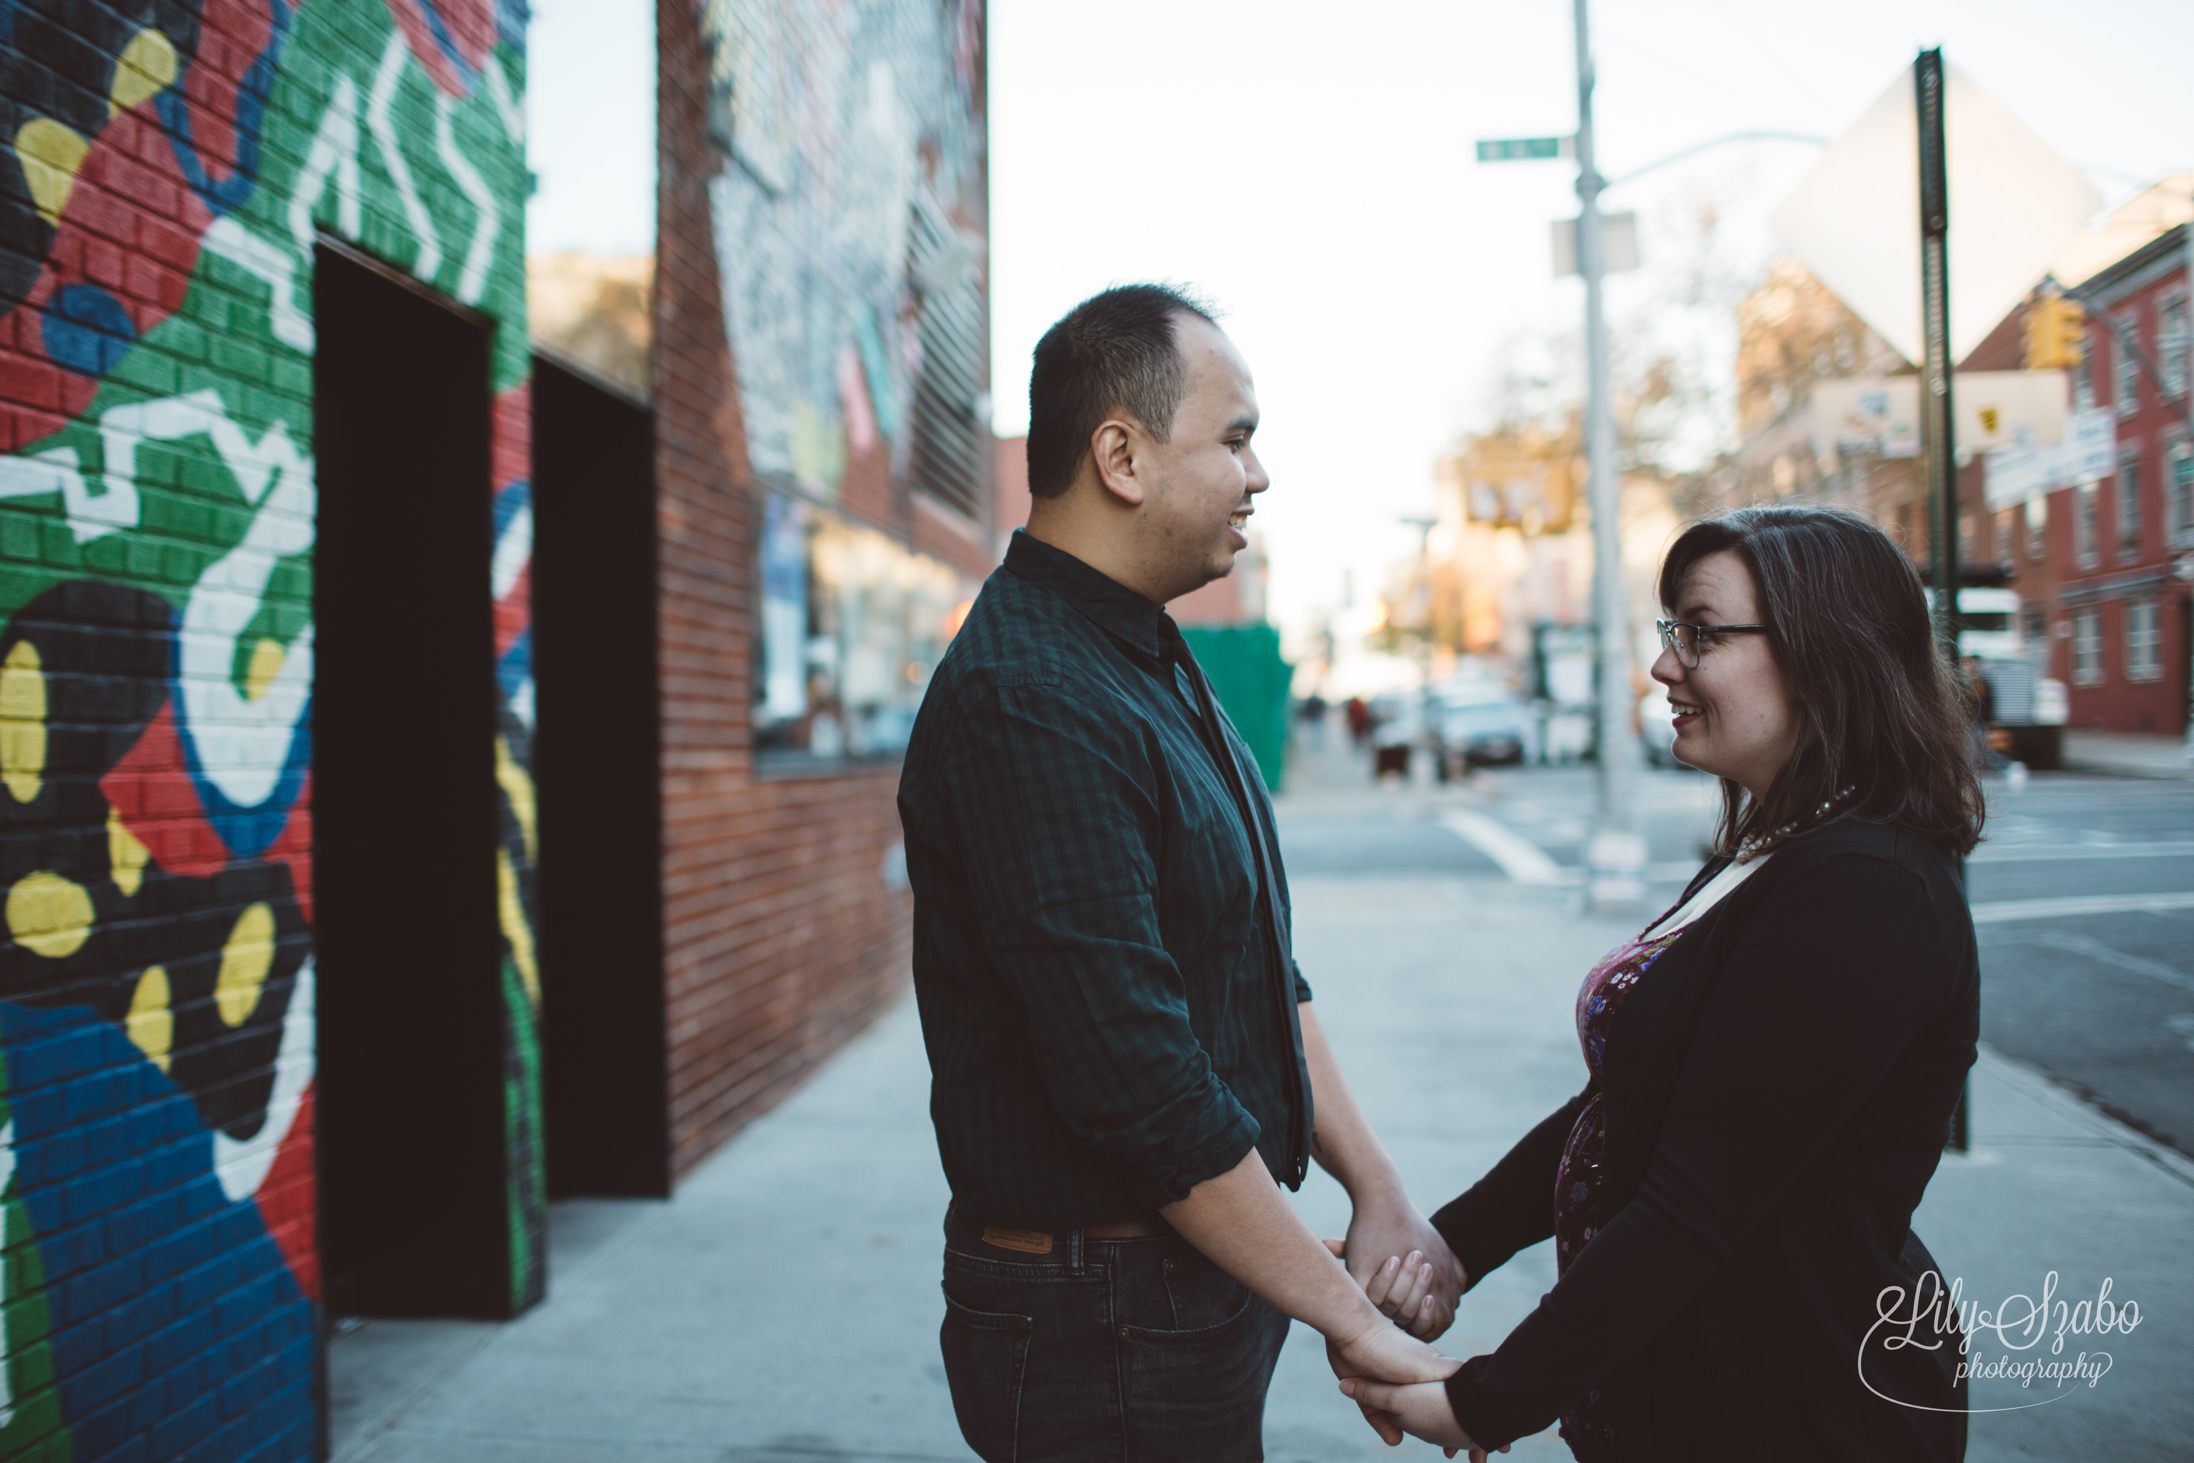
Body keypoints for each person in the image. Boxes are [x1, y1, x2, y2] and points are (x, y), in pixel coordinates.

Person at [898, 284, 1463, 1463]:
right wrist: (1354, 1315)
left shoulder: (1143, 648)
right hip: (1097, 1313)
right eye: (1237, 436)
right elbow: (1135, 1082)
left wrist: (1377, 1188)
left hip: (1179, 1275)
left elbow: (1254, 959)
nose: (1259, 474)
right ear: (1122, 455)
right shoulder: (1031, 699)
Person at [1342, 504, 1984, 1460]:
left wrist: (1486, 1401)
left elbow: (1697, 1202)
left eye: (1702, 632)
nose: (1665, 666)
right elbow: (1626, 1105)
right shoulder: (1776, 851)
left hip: (1793, 1411)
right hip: (1689, 1399)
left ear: (1825, 651)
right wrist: (1453, 1246)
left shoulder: (1867, 890)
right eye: (1670, 631)